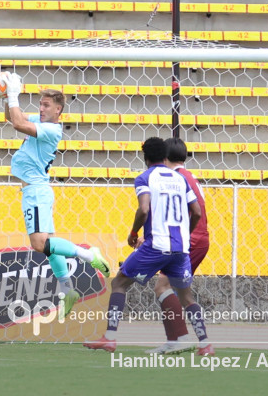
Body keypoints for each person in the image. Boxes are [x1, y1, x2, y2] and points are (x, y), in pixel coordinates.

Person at [0, 72, 111, 315]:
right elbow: (12, 117)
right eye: (40, 104)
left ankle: (86, 253)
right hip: (37, 191)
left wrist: (13, 93)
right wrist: (6, 96)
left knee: (40, 244)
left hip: (36, 192)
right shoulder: (41, 122)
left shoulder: (52, 130)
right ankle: (67, 289)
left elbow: (19, 124)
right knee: (49, 246)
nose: (41, 108)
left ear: (58, 110)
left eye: (46, 105)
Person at [84, 137, 203, 353]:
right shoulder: (181, 179)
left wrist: (133, 232)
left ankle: (110, 337)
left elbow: (144, 209)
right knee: (178, 292)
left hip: (156, 245)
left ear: (145, 157)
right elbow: (196, 211)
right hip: (181, 247)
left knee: (120, 283)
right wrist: (185, 234)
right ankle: (195, 341)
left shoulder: (145, 178)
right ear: (165, 157)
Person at [146, 137, 213, 356]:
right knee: (182, 294)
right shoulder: (190, 176)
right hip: (200, 238)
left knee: (162, 287)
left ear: (165, 158)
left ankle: (178, 339)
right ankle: (203, 343)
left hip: (187, 239)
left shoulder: (174, 178)